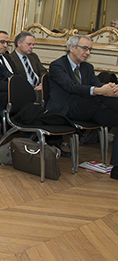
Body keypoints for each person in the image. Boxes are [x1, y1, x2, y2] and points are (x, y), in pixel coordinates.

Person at [47, 35, 118, 166]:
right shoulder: (57, 65)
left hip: (89, 108)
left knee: (105, 97)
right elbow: (71, 87)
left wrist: (111, 89)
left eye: (90, 49)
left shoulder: (87, 67)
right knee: (100, 95)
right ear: (72, 48)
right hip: (67, 109)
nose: (88, 53)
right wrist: (101, 90)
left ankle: (117, 168)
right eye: (85, 48)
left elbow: (97, 85)